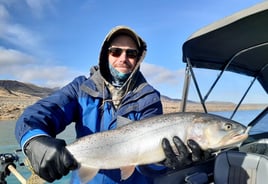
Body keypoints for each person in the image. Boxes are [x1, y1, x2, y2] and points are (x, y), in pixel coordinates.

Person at [15, 25, 206, 184]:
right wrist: (34, 141)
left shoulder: (149, 98)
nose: (123, 58)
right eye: (116, 51)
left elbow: (148, 163)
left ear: (138, 59)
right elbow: (35, 116)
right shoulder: (80, 88)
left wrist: (166, 161)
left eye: (131, 53)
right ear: (105, 54)